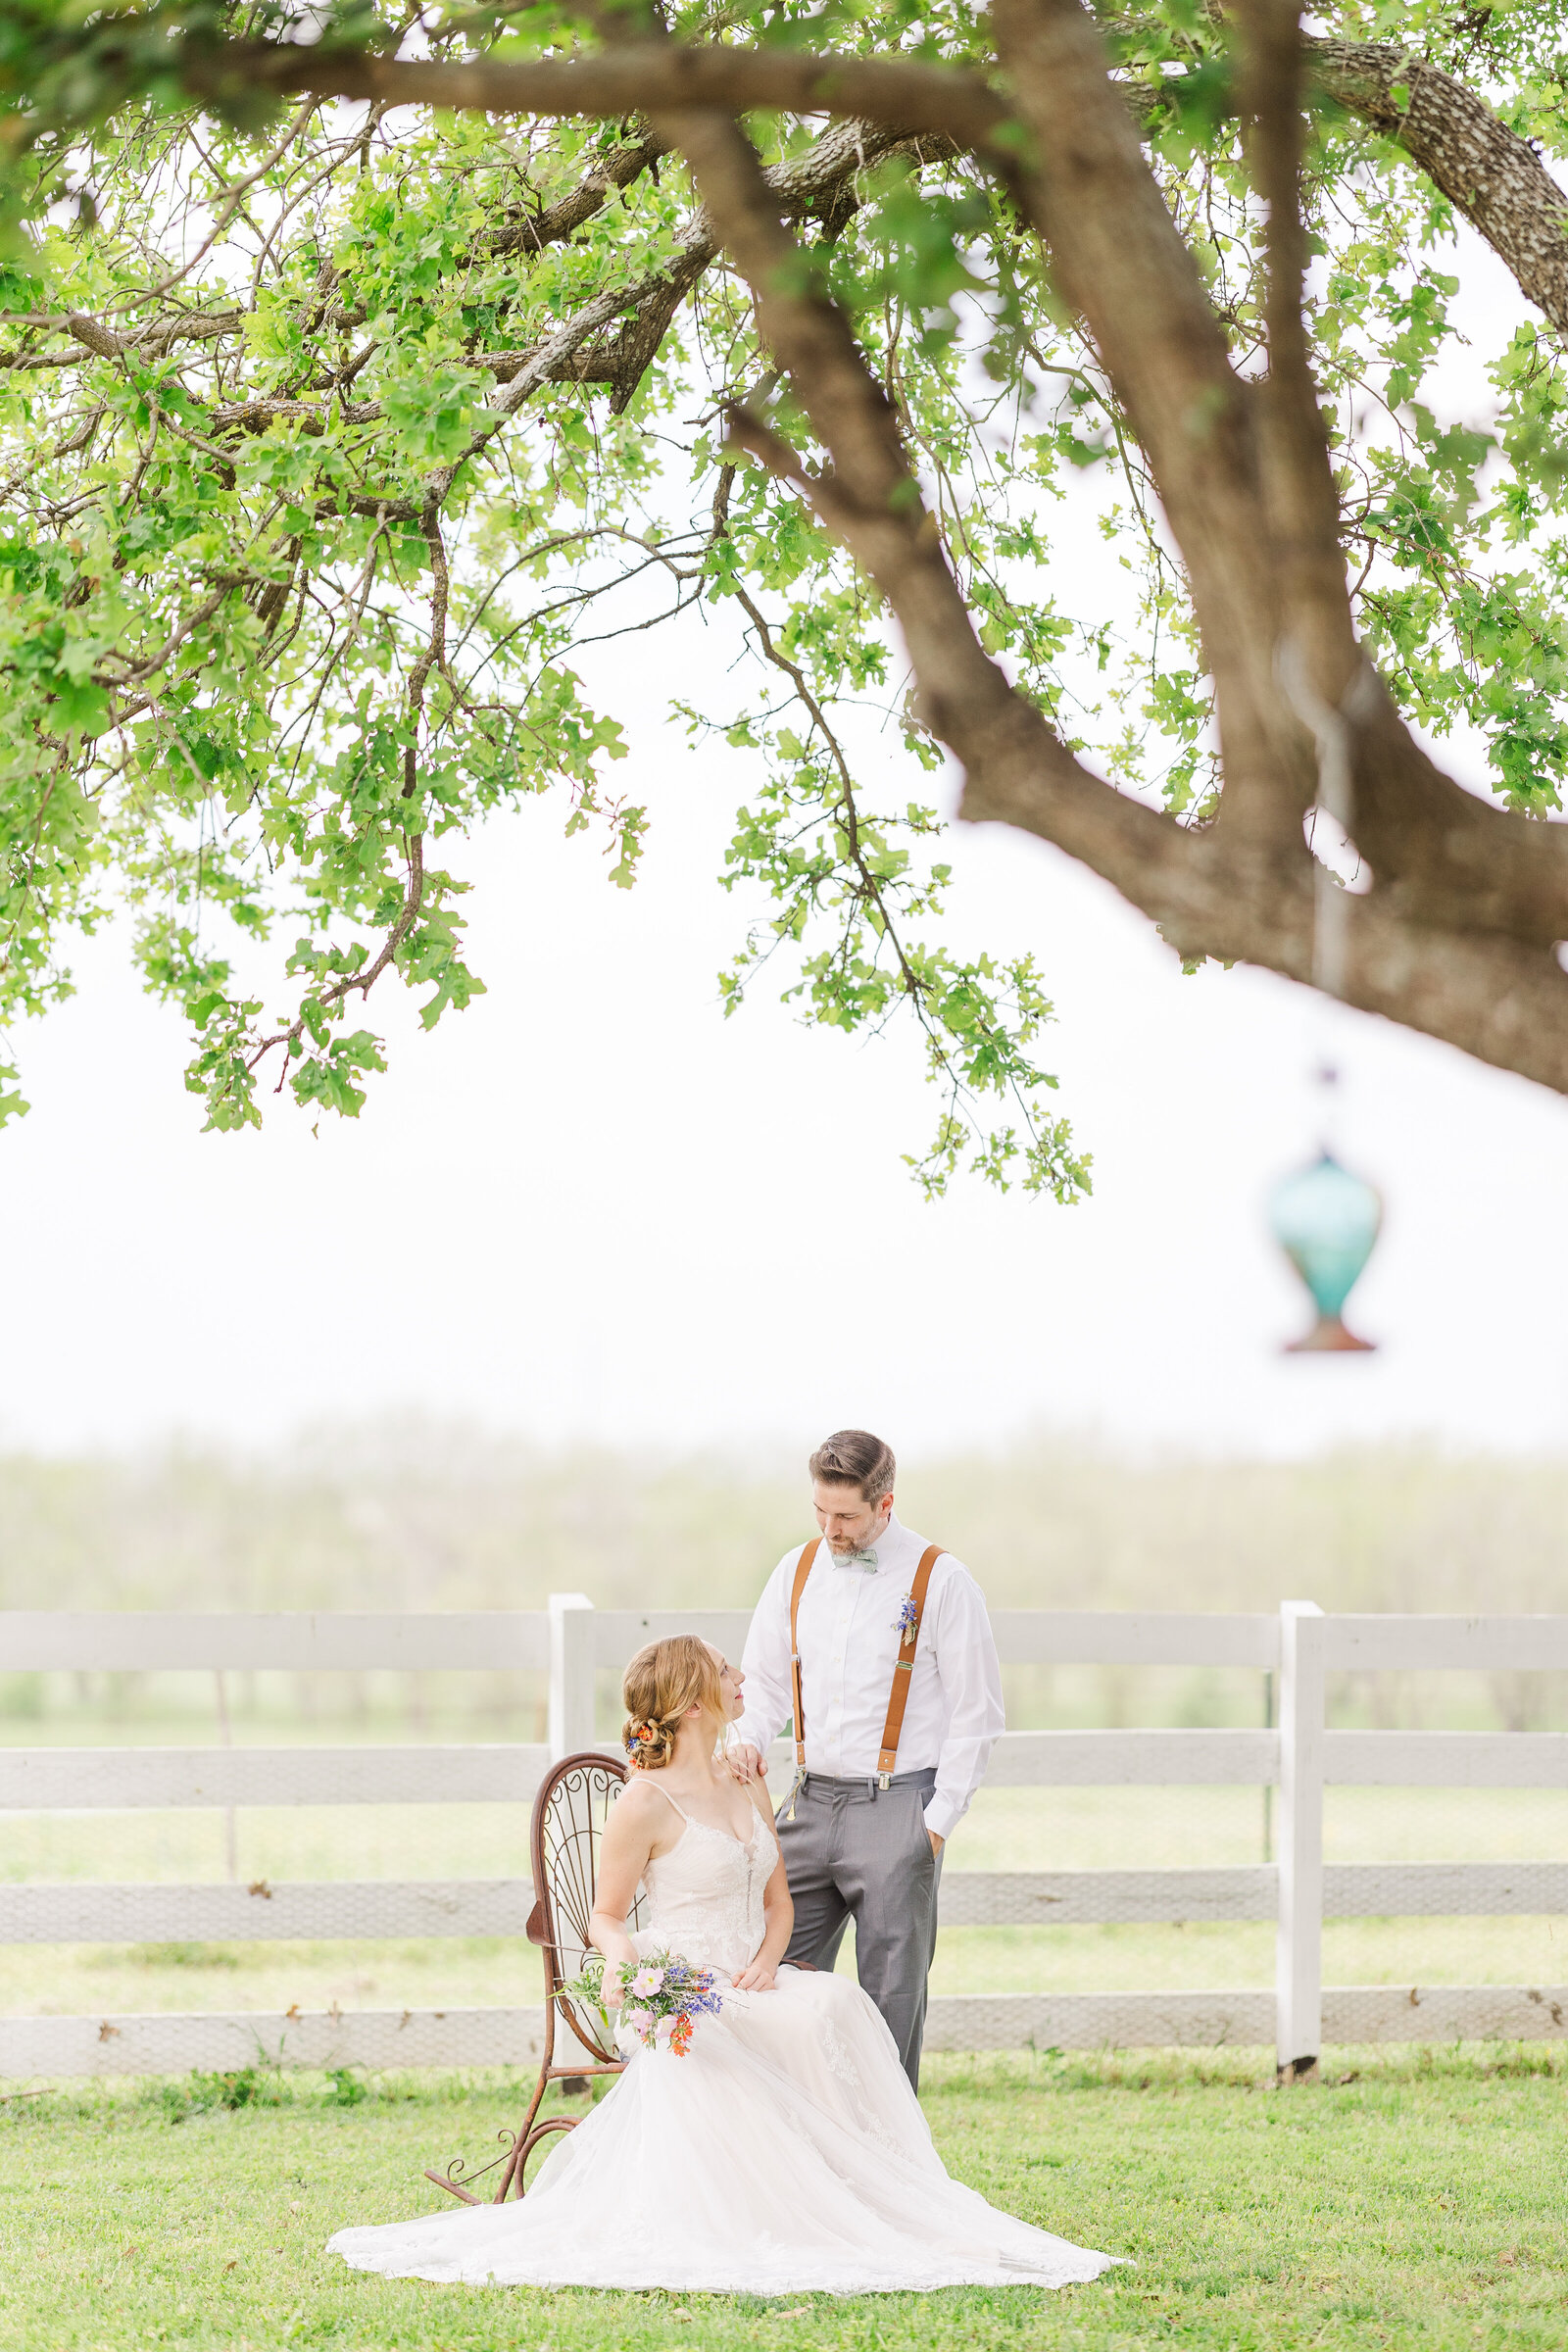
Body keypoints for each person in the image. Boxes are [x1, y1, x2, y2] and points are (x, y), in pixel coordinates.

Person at [326, 1635, 1114, 2297]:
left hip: (751, 1971)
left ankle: (866, 2199)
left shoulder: (745, 1778)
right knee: (785, 2019)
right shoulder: (645, 1800)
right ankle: (804, 2209)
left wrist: (772, 1961)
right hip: (684, 1982)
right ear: (697, 1700)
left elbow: (779, 1903)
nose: (743, 1678)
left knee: (833, 2004)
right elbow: (604, 1914)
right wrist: (626, 1965)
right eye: (728, 1671)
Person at [727, 1428, 1004, 2086]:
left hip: (899, 1807)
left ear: (884, 1503)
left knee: (891, 2001)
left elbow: (978, 1715)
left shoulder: (942, 1580)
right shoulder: (794, 1572)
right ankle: (786, 2143)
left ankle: (891, 2162)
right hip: (809, 1803)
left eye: (846, 1515)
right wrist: (747, 1738)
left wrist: (933, 1826)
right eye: (820, 1512)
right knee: (765, 1975)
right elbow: (763, 1683)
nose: (831, 1530)